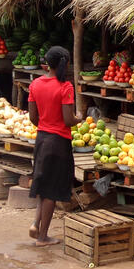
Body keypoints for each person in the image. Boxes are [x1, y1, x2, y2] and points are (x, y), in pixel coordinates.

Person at [27, 46, 83, 246]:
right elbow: (68, 120)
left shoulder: (35, 84)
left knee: (43, 184)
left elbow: (33, 117)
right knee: (51, 190)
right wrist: (80, 118)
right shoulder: (65, 87)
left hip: (41, 139)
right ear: (64, 64)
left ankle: (35, 224)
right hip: (58, 142)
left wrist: (45, 125)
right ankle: (42, 237)